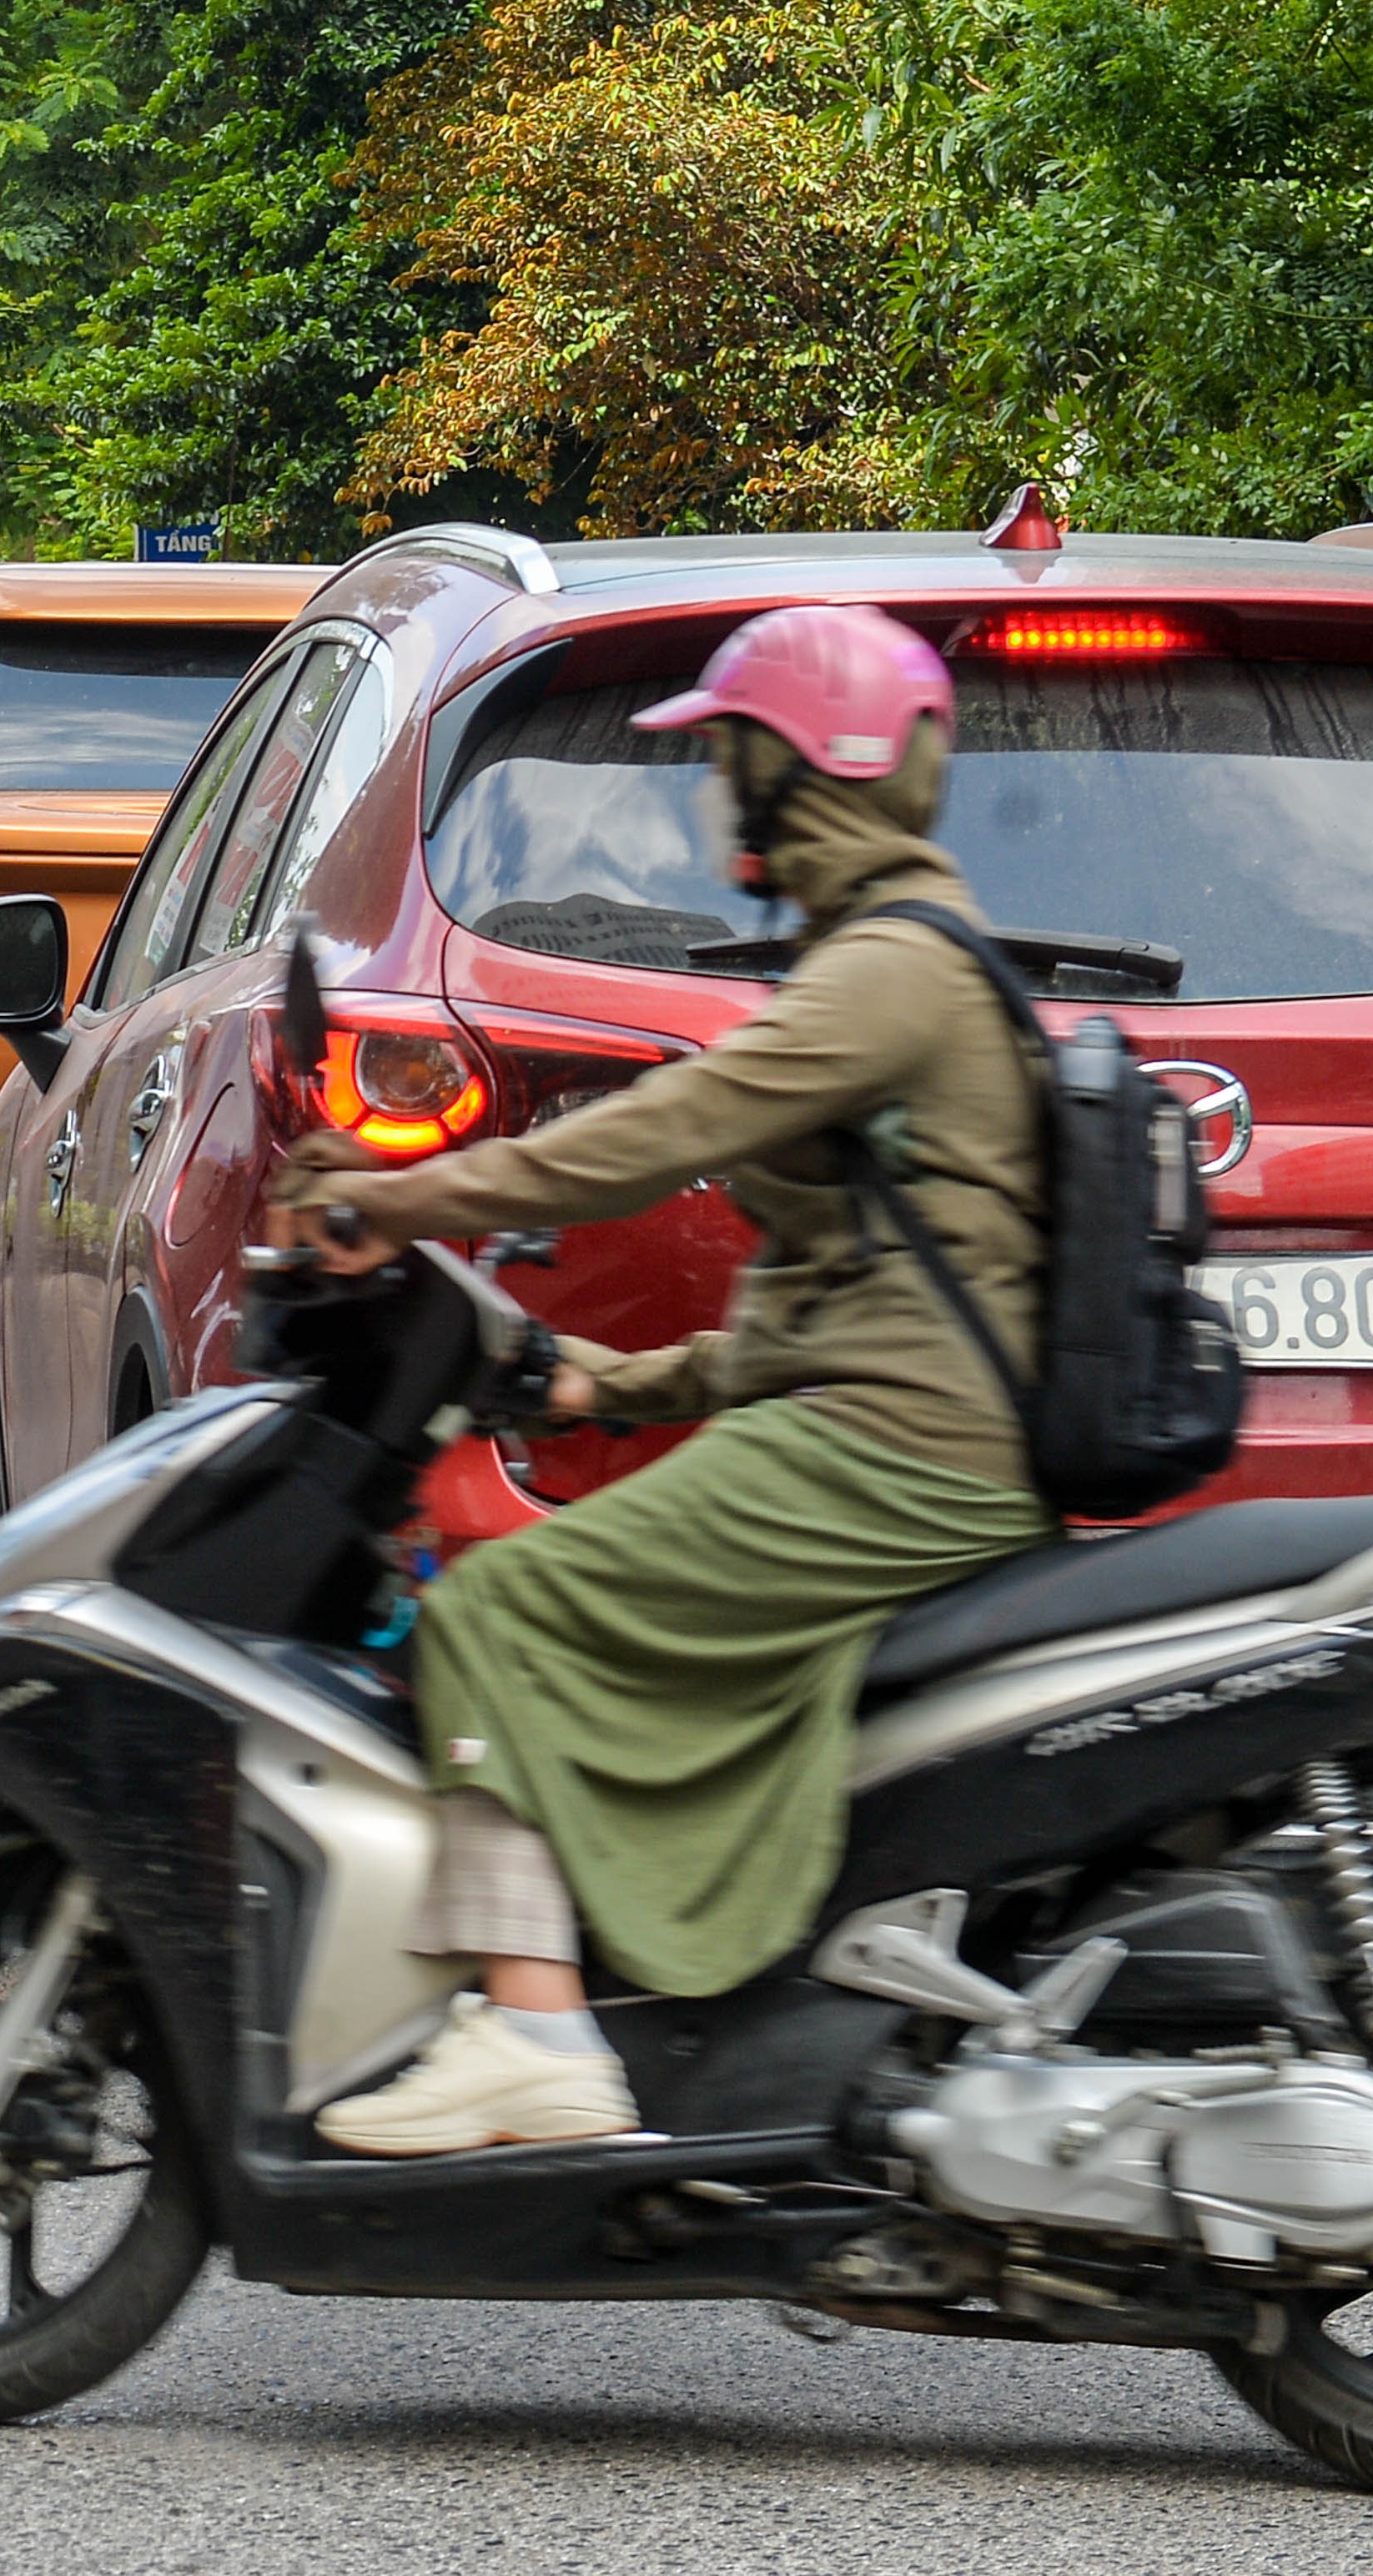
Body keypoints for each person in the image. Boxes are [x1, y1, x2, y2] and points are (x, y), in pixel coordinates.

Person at [263, 606, 1060, 2153]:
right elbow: (823, 1313)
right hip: (891, 1426)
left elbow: (659, 1132)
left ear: (798, 771)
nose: (711, 802)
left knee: (495, 1610)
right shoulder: (890, 961)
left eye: (726, 761)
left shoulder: (892, 970)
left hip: (892, 1454)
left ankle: (542, 2034)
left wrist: (397, 1193)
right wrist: (604, 1384)